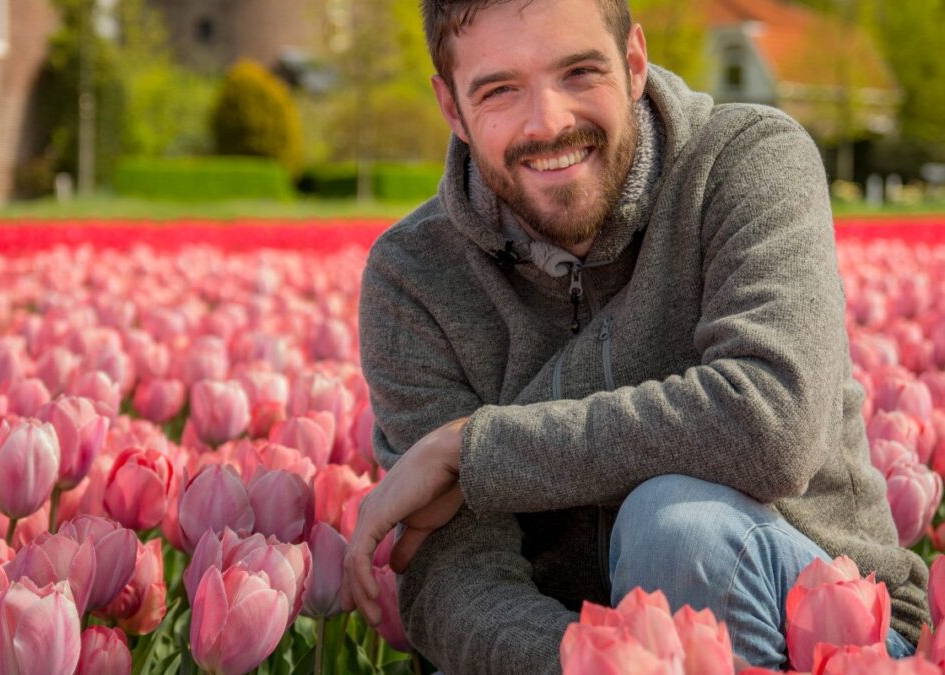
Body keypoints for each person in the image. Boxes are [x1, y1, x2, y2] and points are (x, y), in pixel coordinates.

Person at [342, 0, 930, 672]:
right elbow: (450, 574)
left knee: (676, 529)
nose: (549, 122)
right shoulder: (414, 276)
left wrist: (470, 450)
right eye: (501, 89)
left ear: (634, 63)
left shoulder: (747, 163)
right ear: (452, 109)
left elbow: (770, 427)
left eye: (579, 72)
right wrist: (600, 660)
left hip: (836, 633)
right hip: (570, 655)